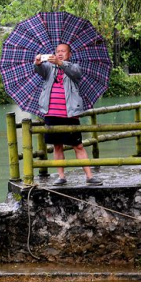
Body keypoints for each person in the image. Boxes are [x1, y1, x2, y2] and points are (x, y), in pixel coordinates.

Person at [34, 43, 102, 186]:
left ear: (69, 54)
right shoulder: (49, 68)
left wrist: (61, 63)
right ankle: (61, 176)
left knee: (78, 146)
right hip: (51, 113)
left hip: (69, 114)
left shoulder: (74, 67)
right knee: (57, 146)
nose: (60, 53)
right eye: (57, 51)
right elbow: (40, 71)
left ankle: (89, 176)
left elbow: (76, 73)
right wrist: (38, 63)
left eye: (63, 51)